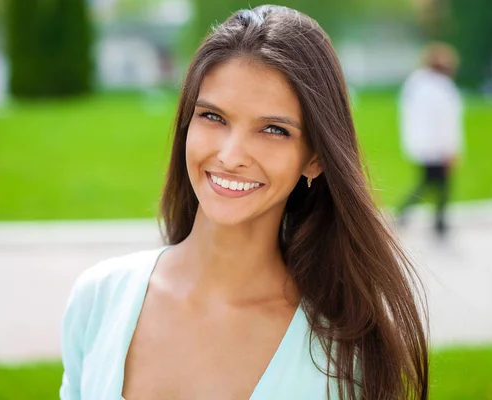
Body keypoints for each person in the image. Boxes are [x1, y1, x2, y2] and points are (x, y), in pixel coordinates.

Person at [60, 6, 428, 400]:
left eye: (273, 129)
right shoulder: (99, 299)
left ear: (315, 158)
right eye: (213, 117)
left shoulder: (347, 355)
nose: (231, 155)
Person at [396, 42, 463, 238]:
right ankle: (437, 222)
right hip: (438, 146)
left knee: (431, 182)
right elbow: (447, 123)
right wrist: (451, 149)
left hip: (420, 145)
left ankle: (433, 220)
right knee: (437, 183)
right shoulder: (442, 88)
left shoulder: (416, 85)